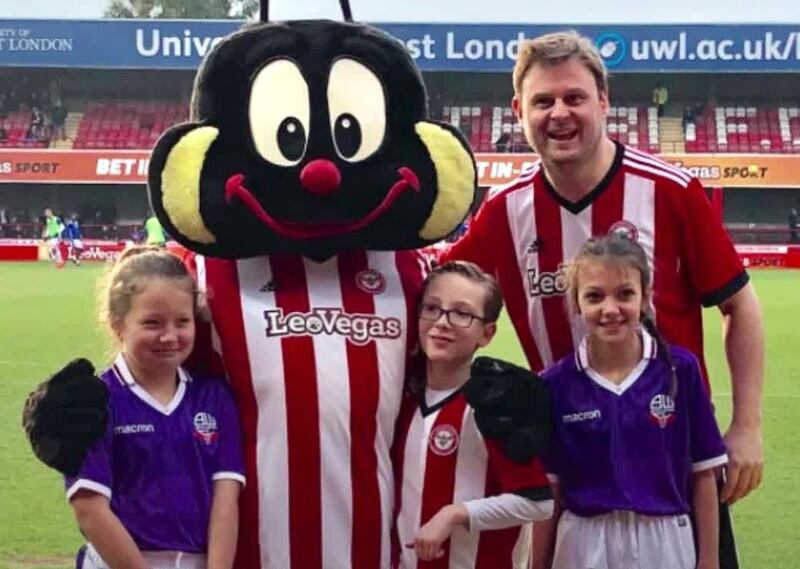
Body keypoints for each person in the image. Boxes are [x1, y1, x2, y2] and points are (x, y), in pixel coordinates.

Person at [443, 30, 764, 506]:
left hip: (673, 455)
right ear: (518, 111)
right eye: (543, 101)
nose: (559, 113)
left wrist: (747, 427)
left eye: (574, 97)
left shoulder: (670, 191)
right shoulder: (503, 210)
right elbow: (437, 295)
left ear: (603, 102)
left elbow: (740, 304)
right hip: (567, 458)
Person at [532, 234, 727, 569]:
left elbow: (704, 475)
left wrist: (709, 560)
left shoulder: (680, 370)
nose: (610, 309)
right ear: (577, 303)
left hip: (665, 540)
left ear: (645, 297)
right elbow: (552, 489)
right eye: (594, 296)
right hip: (583, 541)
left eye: (624, 294)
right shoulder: (555, 384)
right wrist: (537, 564)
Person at [63, 247, 245, 569]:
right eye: (152, 323)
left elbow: (226, 498)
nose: (169, 336)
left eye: (182, 321)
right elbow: (89, 510)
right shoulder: (94, 402)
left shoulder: (214, 396)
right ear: (117, 324)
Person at [394, 261, 553, 568]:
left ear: (487, 333)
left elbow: (538, 503)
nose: (442, 322)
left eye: (462, 313)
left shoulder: (495, 404)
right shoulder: (399, 399)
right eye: (432, 308)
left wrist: (455, 514)